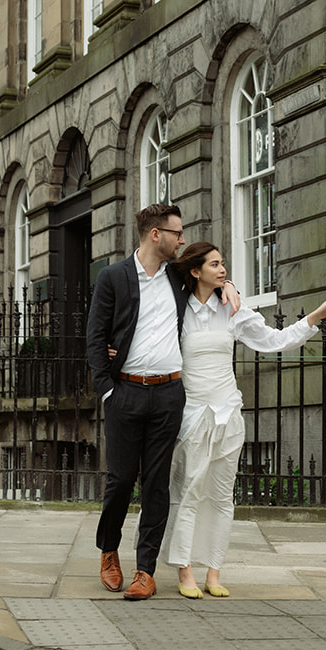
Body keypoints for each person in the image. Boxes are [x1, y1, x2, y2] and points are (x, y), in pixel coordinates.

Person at [162, 241, 326, 598]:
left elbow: (274, 340)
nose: (223, 269)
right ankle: (185, 570)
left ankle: (214, 572)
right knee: (187, 491)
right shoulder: (177, 309)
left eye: (223, 264)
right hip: (193, 414)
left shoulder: (232, 309)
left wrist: (315, 317)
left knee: (221, 495)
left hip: (228, 412)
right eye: (215, 265)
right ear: (195, 271)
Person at [86, 204, 240, 600]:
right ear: (156, 234)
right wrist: (107, 390)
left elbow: (210, 273)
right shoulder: (113, 277)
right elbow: (94, 336)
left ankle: (145, 570)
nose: (182, 240)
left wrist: (230, 287)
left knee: (156, 484)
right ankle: (109, 550)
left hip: (169, 394)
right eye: (177, 233)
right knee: (121, 480)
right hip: (125, 392)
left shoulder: (177, 275)